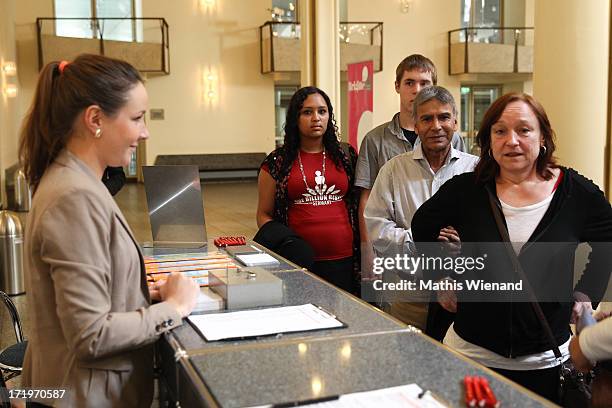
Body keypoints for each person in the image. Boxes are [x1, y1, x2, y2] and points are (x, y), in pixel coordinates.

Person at [19, 54, 200, 407]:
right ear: (95, 119)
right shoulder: (73, 195)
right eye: (136, 118)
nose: (144, 132)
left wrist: (139, 294)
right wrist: (175, 308)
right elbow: (90, 334)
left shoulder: (80, 181)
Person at [411, 92, 612, 403]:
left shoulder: (575, 193)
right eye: (500, 131)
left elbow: (606, 240)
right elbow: (422, 225)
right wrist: (441, 276)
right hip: (470, 356)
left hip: (546, 362)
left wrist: (586, 293)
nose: (512, 141)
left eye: (524, 130)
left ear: (543, 136)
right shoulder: (467, 190)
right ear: (488, 139)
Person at [364, 86, 478, 330]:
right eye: (427, 118)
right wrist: (424, 244)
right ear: (416, 125)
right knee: (406, 362)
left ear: (455, 122)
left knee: (455, 364)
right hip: (409, 296)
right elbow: (376, 226)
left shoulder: (475, 171)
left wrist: (464, 243)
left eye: (444, 117)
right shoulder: (393, 170)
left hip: (462, 298)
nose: (436, 126)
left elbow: (493, 230)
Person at [355, 54, 466, 247]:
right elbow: (370, 206)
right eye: (410, 83)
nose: (417, 90)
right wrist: (369, 254)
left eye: (424, 83)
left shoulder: (456, 143)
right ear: (397, 86)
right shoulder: (376, 140)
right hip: (401, 256)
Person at [257, 86, 360, 293]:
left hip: (344, 258)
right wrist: (289, 244)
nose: (316, 118)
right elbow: (263, 214)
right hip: (299, 261)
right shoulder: (277, 161)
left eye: (322, 111)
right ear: (295, 117)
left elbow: (360, 203)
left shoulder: (346, 155)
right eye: (307, 112)